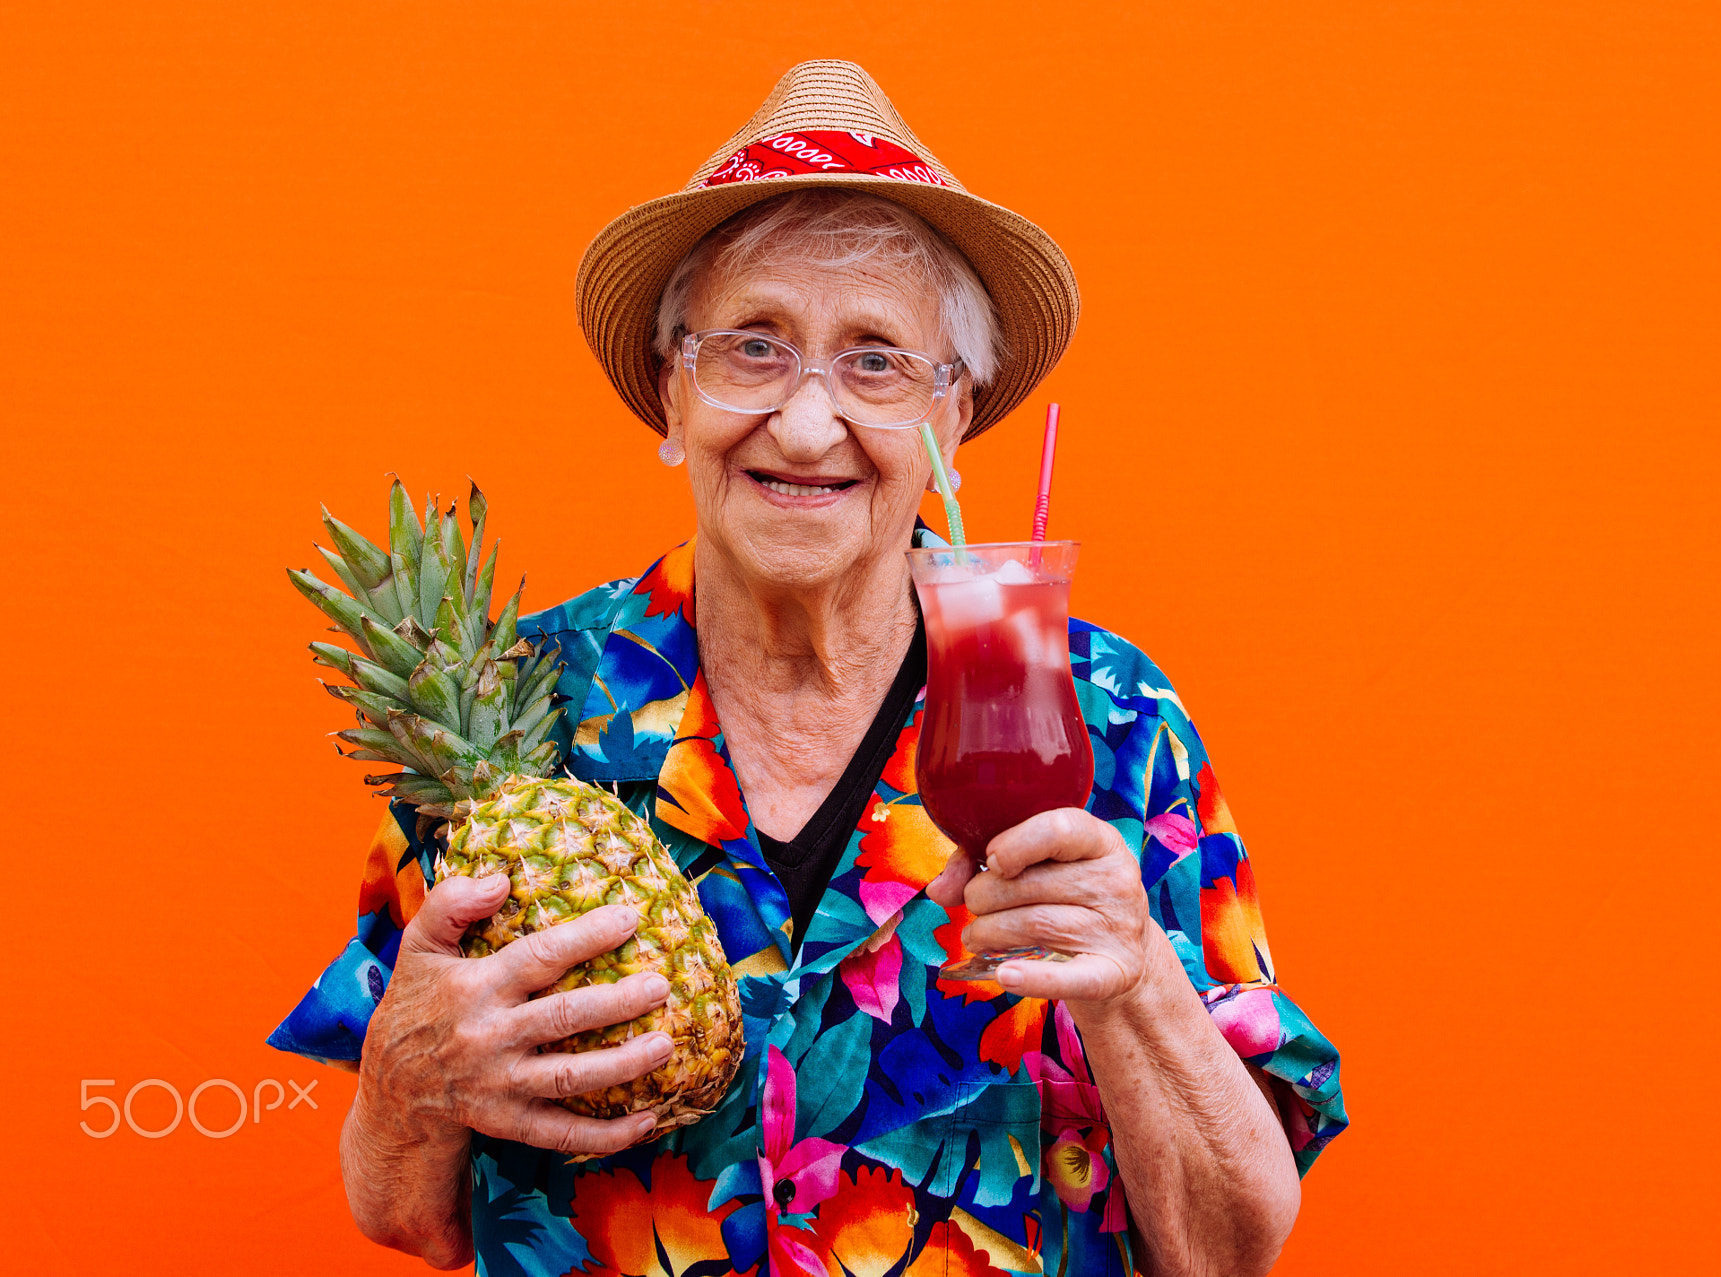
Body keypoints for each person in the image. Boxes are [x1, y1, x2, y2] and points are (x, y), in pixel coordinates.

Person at [270, 60, 1346, 1277]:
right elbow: (406, 1213)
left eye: (877, 360)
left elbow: (1232, 1246)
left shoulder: (1107, 712)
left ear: (954, 420)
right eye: (752, 347)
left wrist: (1135, 982)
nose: (803, 421)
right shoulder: (509, 714)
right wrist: (408, 1084)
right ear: (671, 393)